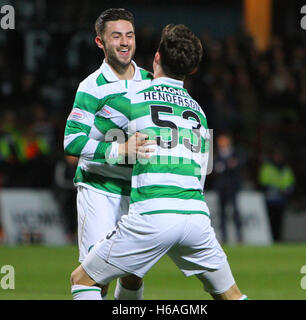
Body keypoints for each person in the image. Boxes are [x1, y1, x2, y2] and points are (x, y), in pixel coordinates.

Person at [70, 24, 248, 300]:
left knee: (83, 279)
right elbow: (204, 168)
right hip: (196, 217)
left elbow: (88, 135)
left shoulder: (134, 97)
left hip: (153, 212)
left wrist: (113, 151)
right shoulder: (198, 111)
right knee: (232, 295)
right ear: (192, 71)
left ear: (156, 59)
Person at [63, 8, 153, 300]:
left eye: (130, 35)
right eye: (116, 36)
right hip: (99, 189)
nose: (125, 42)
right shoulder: (91, 86)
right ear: (100, 42)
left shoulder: (152, 82)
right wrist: (118, 149)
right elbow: (72, 142)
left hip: (138, 192)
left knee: (133, 276)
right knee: (95, 274)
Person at [212, 133, 243, 244]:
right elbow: (216, 168)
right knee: (222, 213)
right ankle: (224, 237)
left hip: (232, 187)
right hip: (221, 188)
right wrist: (227, 165)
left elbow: (237, 165)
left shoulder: (235, 153)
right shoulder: (217, 154)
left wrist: (225, 166)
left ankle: (239, 237)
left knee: (235, 212)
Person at [258, 148, 295, 242]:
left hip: (281, 200)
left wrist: (286, 191)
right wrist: (272, 188)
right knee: (270, 221)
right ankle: (271, 239)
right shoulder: (267, 168)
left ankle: (278, 239)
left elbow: (290, 183)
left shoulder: (286, 169)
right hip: (270, 199)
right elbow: (263, 183)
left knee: (279, 221)